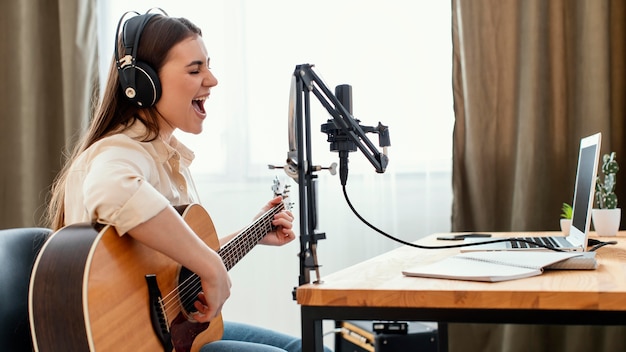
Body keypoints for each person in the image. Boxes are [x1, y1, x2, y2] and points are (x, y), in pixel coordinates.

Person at [46, 10, 330, 352]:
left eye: (208, 65)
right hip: (129, 340)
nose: (211, 80)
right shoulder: (122, 150)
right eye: (195, 69)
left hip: (170, 333)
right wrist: (210, 265)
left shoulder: (164, 156)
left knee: (306, 347)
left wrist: (251, 234)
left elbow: (172, 264)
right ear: (145, 83)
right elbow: (110, 189)